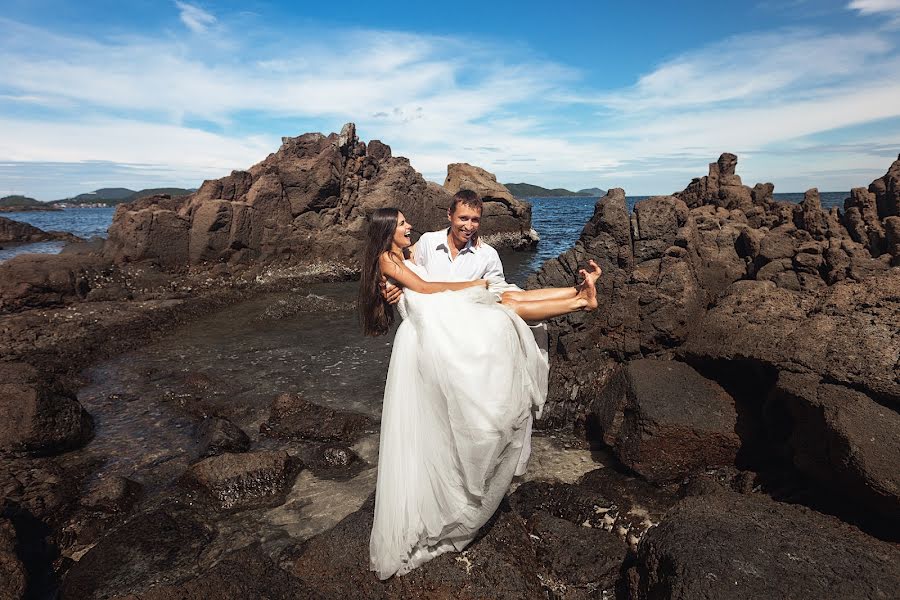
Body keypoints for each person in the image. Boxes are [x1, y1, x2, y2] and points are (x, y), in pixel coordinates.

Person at [359, 206, 601, 581]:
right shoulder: (398, 254)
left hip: (441, 315)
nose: (410, 226)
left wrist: (399, 283)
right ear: (388, 228)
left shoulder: (407, 252)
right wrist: (469, 286)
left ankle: (579, 297)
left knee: (509, 303)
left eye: (408, 221)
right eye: (403, 222)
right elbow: (421, 287)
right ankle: (578, 299)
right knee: (504, 311)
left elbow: (410, 279)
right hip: (434, 325)